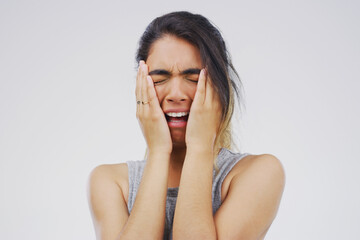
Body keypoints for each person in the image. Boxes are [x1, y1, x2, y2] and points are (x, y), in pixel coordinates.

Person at [87, 11, 285, 240]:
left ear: (220, 88)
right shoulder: (110, 182)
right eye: (159, 79)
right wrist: (159, 151)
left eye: (193, 78)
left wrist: (200, 146)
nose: (176, 94)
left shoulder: (258, 174)